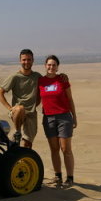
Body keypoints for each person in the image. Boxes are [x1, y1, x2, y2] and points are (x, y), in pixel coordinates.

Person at [38, 55, 77, 188]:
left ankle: (70, 178)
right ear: (45, 65)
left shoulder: (62, 80)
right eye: (49, 65)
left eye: (54, 65)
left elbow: (70, 99)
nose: (51, 67)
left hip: (64, 117)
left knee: (66, 149)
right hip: (48, 118)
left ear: (57, 67)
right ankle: (58, 176)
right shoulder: (40, 81)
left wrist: (74, 117)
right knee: (54, 149)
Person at [0, 49, 41, 148]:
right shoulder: (15, 77)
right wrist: (10, 108)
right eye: (24, 59)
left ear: (33, 60)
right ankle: (17, 132)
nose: (26, 62)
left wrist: (62, 77)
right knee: (20, 108)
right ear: (20, 61)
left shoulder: (37, 76)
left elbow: (48, 84)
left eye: (29, 59)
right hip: (17, 112)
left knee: (28, 144)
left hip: (31, 113)